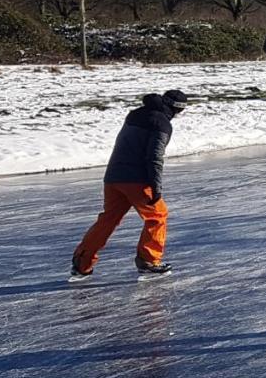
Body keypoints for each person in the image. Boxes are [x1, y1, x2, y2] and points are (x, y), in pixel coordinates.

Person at [71, 90, 189, 280]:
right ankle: (149, 262)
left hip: (113, 177)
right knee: (157, 216)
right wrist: (156, 187)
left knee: (108, 219)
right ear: (178, 110)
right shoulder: (162, 124)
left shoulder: (135, 114)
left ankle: (81, 263)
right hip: (136, 180)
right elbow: (155, 157)